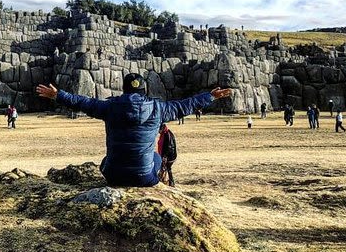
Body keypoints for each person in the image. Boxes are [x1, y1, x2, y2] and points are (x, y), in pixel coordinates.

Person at [35, 73, 231, 187]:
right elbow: (184, 106)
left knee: (106, 161)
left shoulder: (110, 107)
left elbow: (84, 103)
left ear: (125, 89)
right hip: (145, 177)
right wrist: (210, 96)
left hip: (113, 175)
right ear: (143, 90)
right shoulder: (158, 108)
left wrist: (58, 95)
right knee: (155, 157)